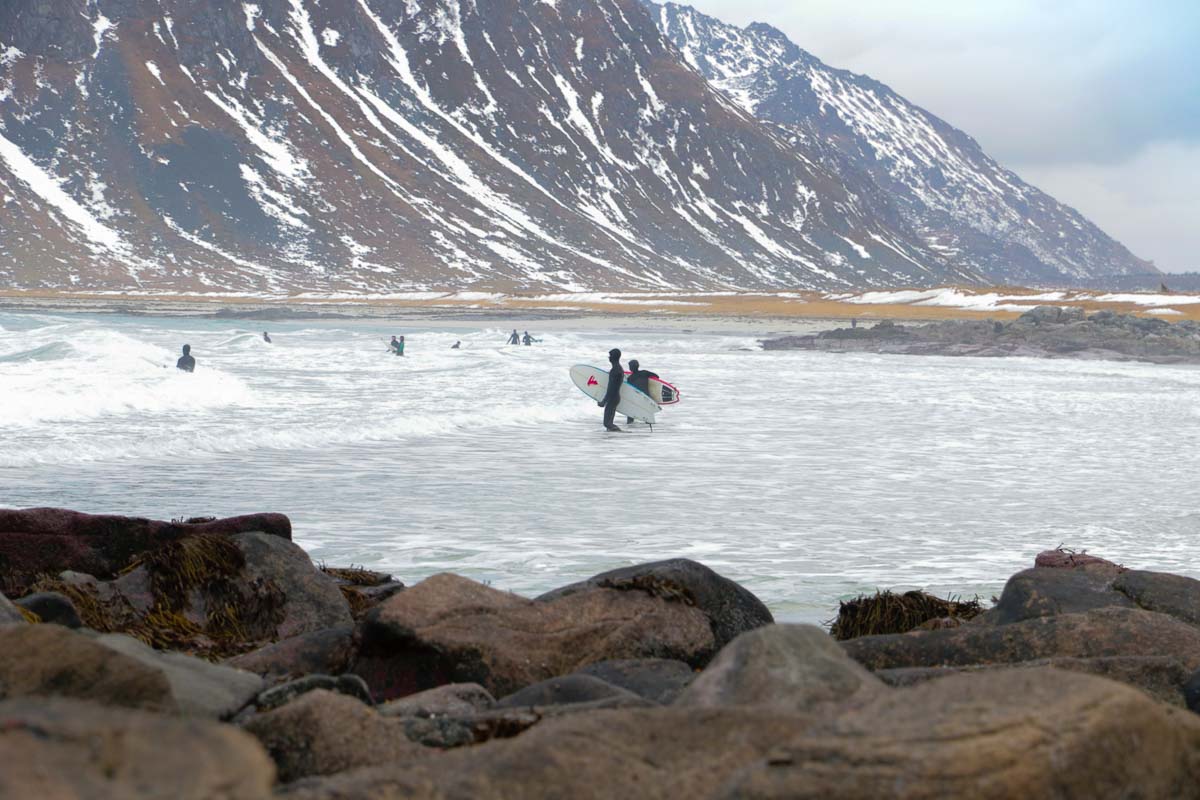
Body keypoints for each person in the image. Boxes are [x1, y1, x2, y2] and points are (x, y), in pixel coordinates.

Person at [625, 359, 659, 424]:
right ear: (638, 366)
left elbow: (630, 390)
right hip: (646, 398)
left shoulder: (630, 378)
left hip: (636, 399)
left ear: (630, 368)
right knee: (648, 418)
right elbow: (656, 376)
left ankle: (629, 425)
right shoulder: (644, 373)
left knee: (630, 414)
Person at [598, 348, 624, 431]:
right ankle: (611, 441)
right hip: (615, 397)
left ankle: (621, 434)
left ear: (613, 357)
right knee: (609, 425)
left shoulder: (615, 371)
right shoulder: (619, 369)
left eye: (610, 356)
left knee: (607, 423)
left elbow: (611, 388)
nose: (608, 358)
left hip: (613, 397)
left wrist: (604, 401)